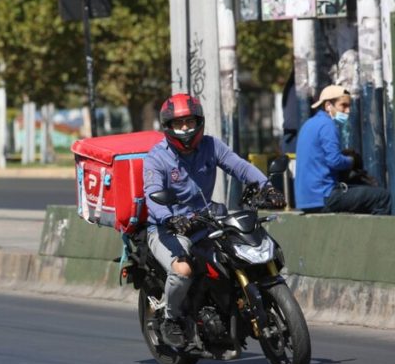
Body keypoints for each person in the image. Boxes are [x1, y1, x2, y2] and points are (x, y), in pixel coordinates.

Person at [143, 93, 285, 348]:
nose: (185, 128)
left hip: (207, 219)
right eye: (178, 123)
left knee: (239, 255)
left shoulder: (211, 146)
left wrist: (267, 188)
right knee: (183, 268)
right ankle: (171, 319)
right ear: (168, 127)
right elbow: (152, 196)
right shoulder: (157, 158)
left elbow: (239, 166)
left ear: (199, 121)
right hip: (167, 227)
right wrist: (170, 218)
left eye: (189, 121)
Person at [294, 85, 391, 215]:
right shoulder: (327, 125)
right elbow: (334, 161)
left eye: (349, 106)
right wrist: (351, 161)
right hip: (324, 197)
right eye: (343, 105)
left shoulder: (308, 124)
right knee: (382, 197)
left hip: (305, 200)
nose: (348, 110)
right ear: (328, 105)